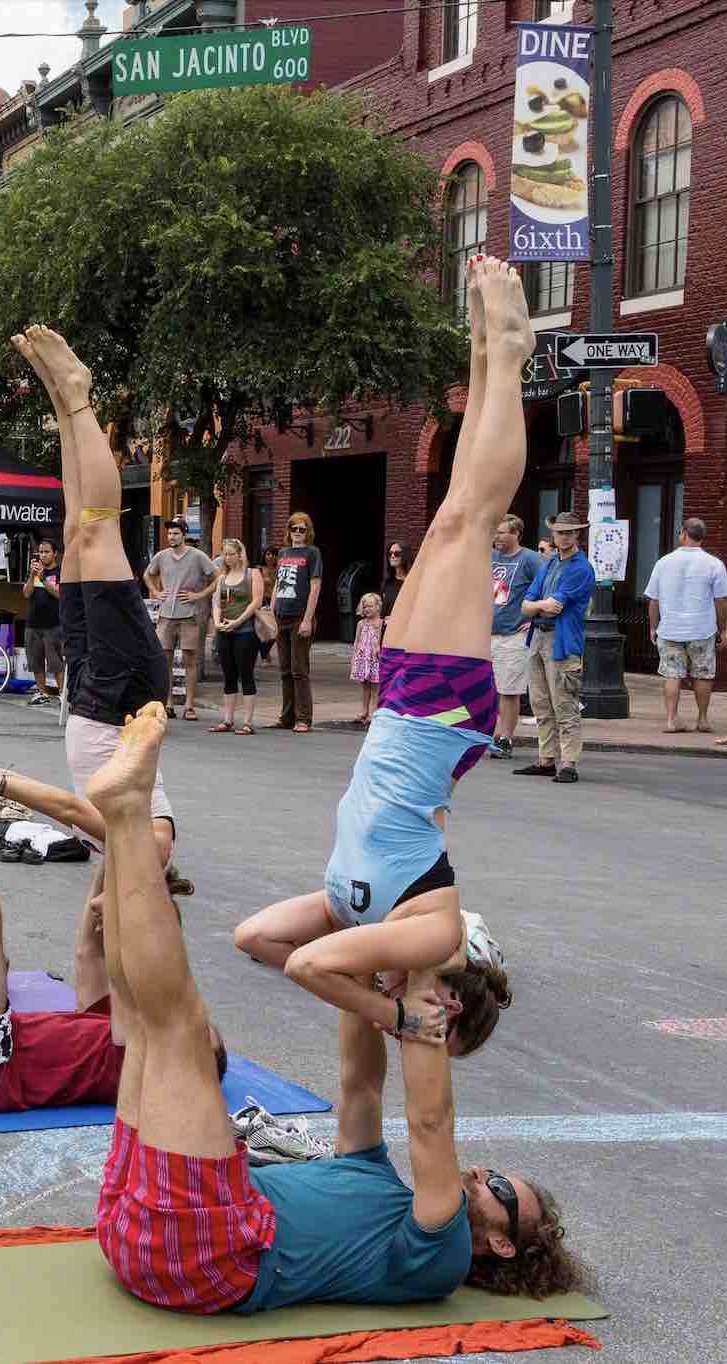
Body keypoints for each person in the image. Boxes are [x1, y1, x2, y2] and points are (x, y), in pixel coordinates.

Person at [88, 706, 584, 1316]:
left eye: (500, 1190)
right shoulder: (374, 1176)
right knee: (138, 1022)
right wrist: (386, 960)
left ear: (502, 1244)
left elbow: (430, 1124)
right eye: (493, 1173)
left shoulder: (438, 1256)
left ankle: (129, 812)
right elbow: (360, 1084)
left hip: (202, 1254)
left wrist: (426, 972)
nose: (481, 1174)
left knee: (179, 1031)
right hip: (132, 1222)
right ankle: (121, 822)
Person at [234, 258, 526, 1050]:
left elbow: (258, 939)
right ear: (447, 1003)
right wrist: (393, 1014)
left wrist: (365, 989)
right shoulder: (428, 937)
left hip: (406, 709)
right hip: (439, 719)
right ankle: (507, 350)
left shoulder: (357, 913)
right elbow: (307, 967)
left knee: (448, 517)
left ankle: (483, 348)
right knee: (469, 516)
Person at [0, 689, 226, 1111]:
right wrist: (119, 858)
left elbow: (133, 966)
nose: (95, 909)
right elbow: (87, 950)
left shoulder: (142, 1043)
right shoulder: (110, 1015)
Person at [11, 324, 173, 856]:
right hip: (123, 690)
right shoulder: (148, 844)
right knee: (100, 527)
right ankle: (79, 394)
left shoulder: (107, 852)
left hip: (89, 690)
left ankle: (61, 401)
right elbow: (154, 843)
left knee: (75, 530)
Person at [514, 511, 595, 783]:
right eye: (559, 532)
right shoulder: (549, 564)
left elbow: (554, 608)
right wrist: (539, 606)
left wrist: (537, 607)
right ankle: (547, 758)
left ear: (578, 535)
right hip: (538, 638)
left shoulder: (582, 568)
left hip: (562, 642)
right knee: (540, 703)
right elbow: (528, 606)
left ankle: (568, 762)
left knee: (565, 704)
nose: (563, 537)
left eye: (568, 532)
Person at [645, 517, 727, 736]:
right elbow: (721, 601)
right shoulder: (714, 564)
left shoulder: (663, 562)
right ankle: (702, 719)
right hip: (702, 629)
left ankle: (672, 720)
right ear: (702, 536)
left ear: (683, 533)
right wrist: (724, 628)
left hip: (670, 628)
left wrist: (653, 627)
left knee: (672, 674)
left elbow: (653, 600)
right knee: (703, 675)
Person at [144, 520, 217, 722]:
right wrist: (156, 592)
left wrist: (199, 595)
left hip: (189, 616)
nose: (171, 537)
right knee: (164, 660)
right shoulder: (161, 556)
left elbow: (216, 578)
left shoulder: (197, 556)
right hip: (166, 616)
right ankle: (168, 703)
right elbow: (147, 575)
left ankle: (189, 705)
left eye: (175, 533)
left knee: (189, 661)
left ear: (183, 534)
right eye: (169, 534)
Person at [488, 514, 544, 761]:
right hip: (487, 633)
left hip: (513, 635)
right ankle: (489, 735)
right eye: (495, 532)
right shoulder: (490, 557)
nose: (496, 537)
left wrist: (534, 618)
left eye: (501, 532)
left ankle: (505, 739)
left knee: (509, 690)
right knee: (488, 689)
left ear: (516, 534)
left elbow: (548, 586)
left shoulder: (530, 559)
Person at [271, 512, 322, 733]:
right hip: (281, 615)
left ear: (307, 531)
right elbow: (277, 584)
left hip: (299, 616)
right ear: (289, 530)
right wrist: (271, 611)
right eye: (294, 529)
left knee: (299, 670)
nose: (298, 533)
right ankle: (286, 717)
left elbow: (315, 586)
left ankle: (303, 718)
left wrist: (308, 619)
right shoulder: (283, 552)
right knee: (284, 670)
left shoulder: (312, 553)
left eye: (302, 529)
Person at [209, 537, 261, 735]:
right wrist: (216, 622)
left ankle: (247, 722)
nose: (228, 557)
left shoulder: (252, 574)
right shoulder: (222, 577)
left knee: (245, 674)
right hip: (224, 630)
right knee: (228, 675)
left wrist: (237, 622)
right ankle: (227, 719)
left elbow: (255, 602)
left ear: (240, 554)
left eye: (231, 554)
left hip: (245, 631)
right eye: (225, 554)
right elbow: (216, 602)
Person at [21, 538, 64, 707]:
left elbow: (60, 594)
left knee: (56, 661)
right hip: (33, 623)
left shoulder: (60, 572)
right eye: (41, 552)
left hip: (54, 623)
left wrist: (44, 579)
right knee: (36, 660)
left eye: (46, 552)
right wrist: (32, 576)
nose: (43, 555)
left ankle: (62, 694)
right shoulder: (34, 572)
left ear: (55, 553)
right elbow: (26, 593)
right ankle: (41, 692)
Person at [350, 591, 383, 724]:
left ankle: (373, 711)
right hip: (363, 658)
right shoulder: (361, 624)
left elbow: (381, 641)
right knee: (365, 686)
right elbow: (356, 642)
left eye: (370, 606)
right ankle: (364, 710)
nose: (367, 609)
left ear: (378, 607)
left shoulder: (381, 623)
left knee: (375, 687)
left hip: (374, 659)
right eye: (365, 607)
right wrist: (354, 658)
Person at [256, 545, 279, 663]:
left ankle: (265, 651)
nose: (271, 557)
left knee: (276, 629)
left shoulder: (280, 569)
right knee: (263, 629)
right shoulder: (259, 569)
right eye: (268, 554)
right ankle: (264, 654)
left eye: (274, 554)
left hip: (276, 601)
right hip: (262, 601)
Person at [380, 541, 412, 624]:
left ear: (405, 556)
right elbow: (382, 613)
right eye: (390, 553)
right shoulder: (387, 583)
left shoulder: (412, 582)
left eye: (397, 553)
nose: (392, 556)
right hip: (387, 631)